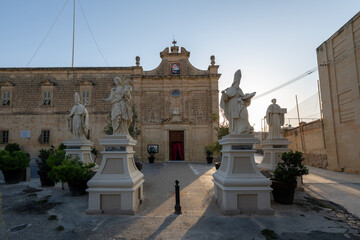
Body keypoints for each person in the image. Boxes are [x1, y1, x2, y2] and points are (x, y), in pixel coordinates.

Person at [220, 69, 255, 134]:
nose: (238, 82)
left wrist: (248, 97)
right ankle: (236, 130)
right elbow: (226, 99)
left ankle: (245, 127)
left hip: (240, 105)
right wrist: (224, 94)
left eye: (239, 80)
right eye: (237, 80)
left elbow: (243, 97)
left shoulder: (240, 90)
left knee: (245, 112)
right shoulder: (230, 89)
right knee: (235, 119)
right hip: (233, 106)